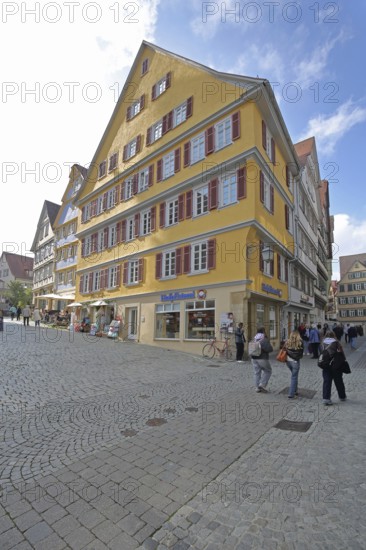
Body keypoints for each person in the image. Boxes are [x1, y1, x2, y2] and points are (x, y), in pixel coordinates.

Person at [321, 330, 347, 405]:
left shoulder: (323, 342)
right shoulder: (336, 342)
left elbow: (322, 352)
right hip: (336, 364)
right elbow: (341, 352)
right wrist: (344, 359)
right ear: (333, 335)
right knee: (338, 380)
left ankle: (326, 398)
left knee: (327, 380)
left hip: (325, 363)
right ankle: (342, 396)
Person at [250, 327, 273, 393]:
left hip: (253, 358)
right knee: (268, 371)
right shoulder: (264, 339)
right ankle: (262, 385)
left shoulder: (254, 338)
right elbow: (270, 349)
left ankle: (257, 388)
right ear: (263, 331)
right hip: (262, 358)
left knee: (257, 373)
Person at [284, 330, 304, 398]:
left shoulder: (287, 341)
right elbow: (301, 353)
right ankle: (291, 394)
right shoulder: (300, 342)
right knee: (294, 377)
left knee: (294, 376)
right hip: (295, 361)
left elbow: (284, 350)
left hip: (288, 361)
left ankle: (295, 391)